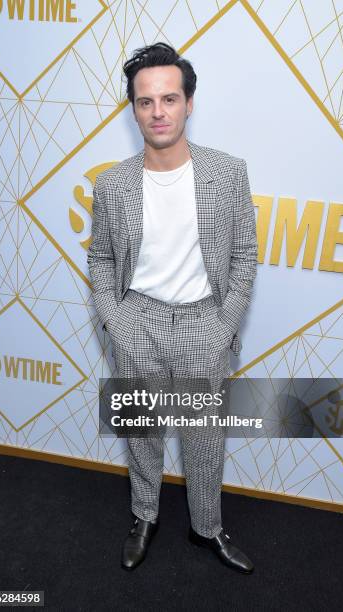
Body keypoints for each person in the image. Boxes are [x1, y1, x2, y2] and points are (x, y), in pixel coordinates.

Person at [87, 42, 258, 573]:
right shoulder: (112, 183)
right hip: (138, 320)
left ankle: (207, 527)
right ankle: (145, 516)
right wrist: (118, 325)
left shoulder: (228, 173)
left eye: (169, 99)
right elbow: (100, 260)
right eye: (145, 102)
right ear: (133, 109)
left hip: (204, 321)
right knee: (142, 433)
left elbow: (244, 254)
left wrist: (224, 323)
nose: (158, 112)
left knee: (205, 440)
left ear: (189, 103)